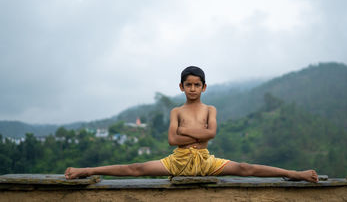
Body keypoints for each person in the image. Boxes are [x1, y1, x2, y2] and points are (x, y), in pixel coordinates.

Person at [65, 66, 318, 182]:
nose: (193, 88)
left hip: (206, 161)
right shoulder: (177, 110)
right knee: (136, 168)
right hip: (177, 160)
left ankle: (295, 173)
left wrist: (185, 130)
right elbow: (173, 141)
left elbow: (212, 135)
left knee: (245, 167)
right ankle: (86, 170)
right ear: (181, 87)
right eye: (189, 84)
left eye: (197, 84)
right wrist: (194, 134)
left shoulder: (210, 109)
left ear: (204, 87)